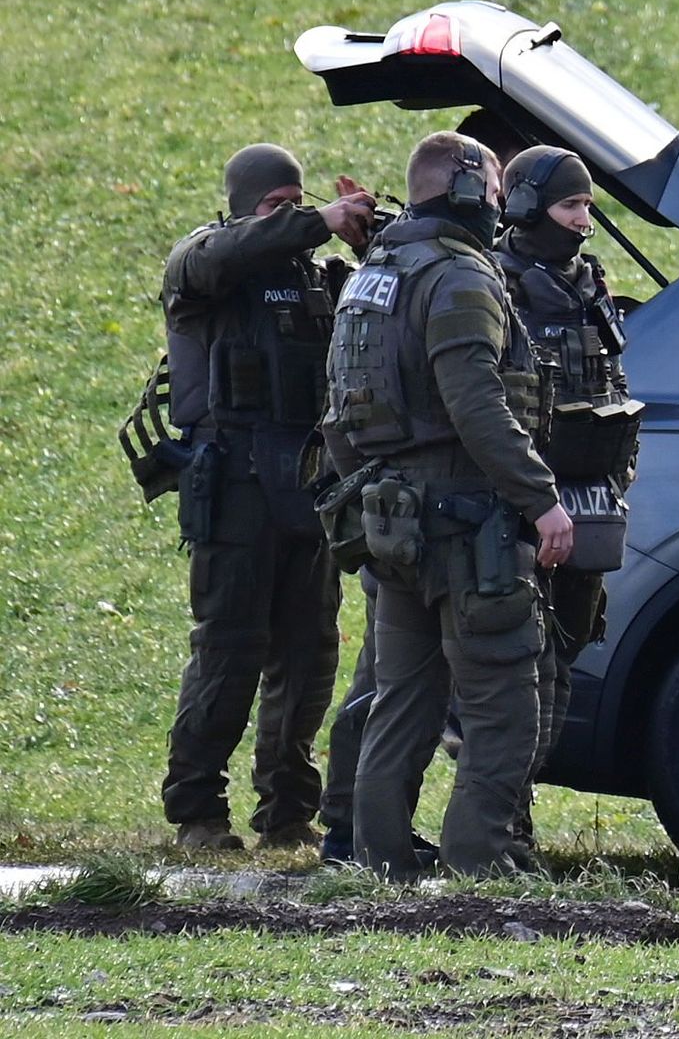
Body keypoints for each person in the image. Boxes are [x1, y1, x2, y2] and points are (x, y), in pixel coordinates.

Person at [322, 130, 573, 878]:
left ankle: (381, 865)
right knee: (504, 706)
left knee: (401, 702)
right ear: (465, 188)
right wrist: (541, 499)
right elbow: (477, 403)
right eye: (495, 192)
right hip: (468, 520)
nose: (500, 209)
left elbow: (338, 411)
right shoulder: (459, 278)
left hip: (395, 521)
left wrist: (373, 494)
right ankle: (478, 867)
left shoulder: (374, 274)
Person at [158, 143, 374, 850]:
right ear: (245, 205)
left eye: (299, 200)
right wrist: (315, 219)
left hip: (307, 486)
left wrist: (370, 243)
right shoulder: (204, 262)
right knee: (229, 649)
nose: (292, 217)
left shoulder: (318, 282)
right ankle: (197, 812)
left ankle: (287, 813)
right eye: (276, 206)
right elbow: (221, 257)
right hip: (235, 483)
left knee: (308, 657)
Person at [495, 145, 643, 858]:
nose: (584, 221)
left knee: (563, 665)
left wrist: (617, 484)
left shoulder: (588, 283)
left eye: (587, 206)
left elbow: (619, 392)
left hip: (587, 506)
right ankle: (501, 829)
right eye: (570, 206)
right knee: (516, 679)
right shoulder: (500, 285)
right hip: (522, 512)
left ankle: (514, 826)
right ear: (526, 207)